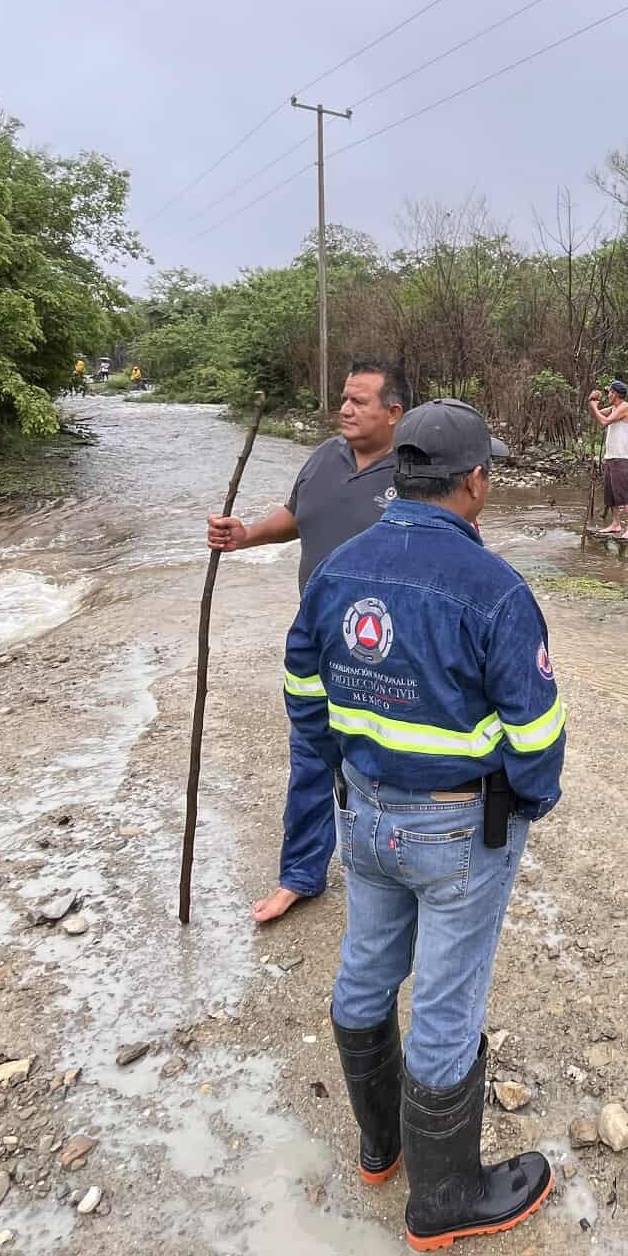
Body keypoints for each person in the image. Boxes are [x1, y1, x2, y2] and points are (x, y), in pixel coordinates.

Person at [285, 398, 565, 1250]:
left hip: (364, 814)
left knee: (367, 967)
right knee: (447, 999)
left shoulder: (338, 568)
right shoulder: (495, 587)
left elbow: (303, 687)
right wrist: (530, 803)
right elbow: (535, 733)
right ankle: (443, 1200)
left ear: (401, 475)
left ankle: (381, 1147)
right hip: (456, 830)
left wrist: (342, 766)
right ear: (474, 482)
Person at [206, 360, 404, 924]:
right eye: (344, 398)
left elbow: (456, 541)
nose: (345, 409)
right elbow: (298, 516)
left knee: (388, 759)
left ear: (394, 412)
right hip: (317, 637)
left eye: (359, 401)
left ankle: (399, 870)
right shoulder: (324, 458)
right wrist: (246, 534)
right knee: (312, 751)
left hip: (391, 649)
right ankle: (301, 875)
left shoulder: (415, 470)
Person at [588, 380, 628, 537]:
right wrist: (592, 402)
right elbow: (597, 414)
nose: (608, 395)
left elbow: (604, 421)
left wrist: (594, 406)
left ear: (615, 394)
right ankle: (616, 523)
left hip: (620, 457)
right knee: (611, 493)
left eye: (610, 392)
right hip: (610, 456)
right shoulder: (614, 408)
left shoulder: (625, 407)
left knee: (623, 492)